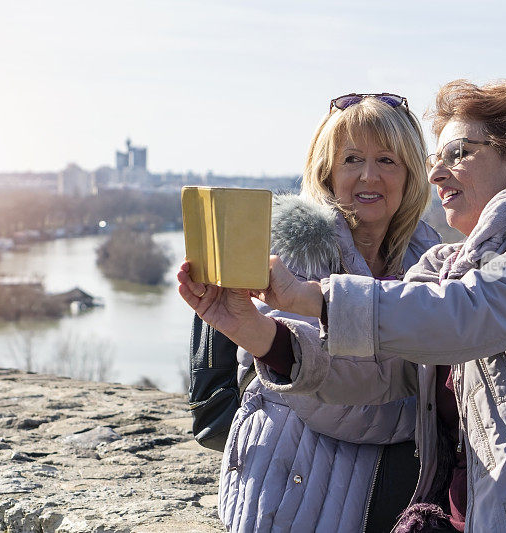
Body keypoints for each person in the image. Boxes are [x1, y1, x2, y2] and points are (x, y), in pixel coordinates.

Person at [179, 80, 506, 532]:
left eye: (459, 152)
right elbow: (380, 371)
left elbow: (471, 313)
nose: (436, 171)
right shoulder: (447, 263)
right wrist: (260, 335)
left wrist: (311, 298)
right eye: (434, 158)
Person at [188, 93, 440, 532]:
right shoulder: (294, 253)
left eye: (387, 160)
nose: (369, 175)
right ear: (326, 171)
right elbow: (338, 406)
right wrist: (421, 406)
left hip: (384, 497)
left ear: (411, 174)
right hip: (294, 495)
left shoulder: (428, 256)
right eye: (351, 159)